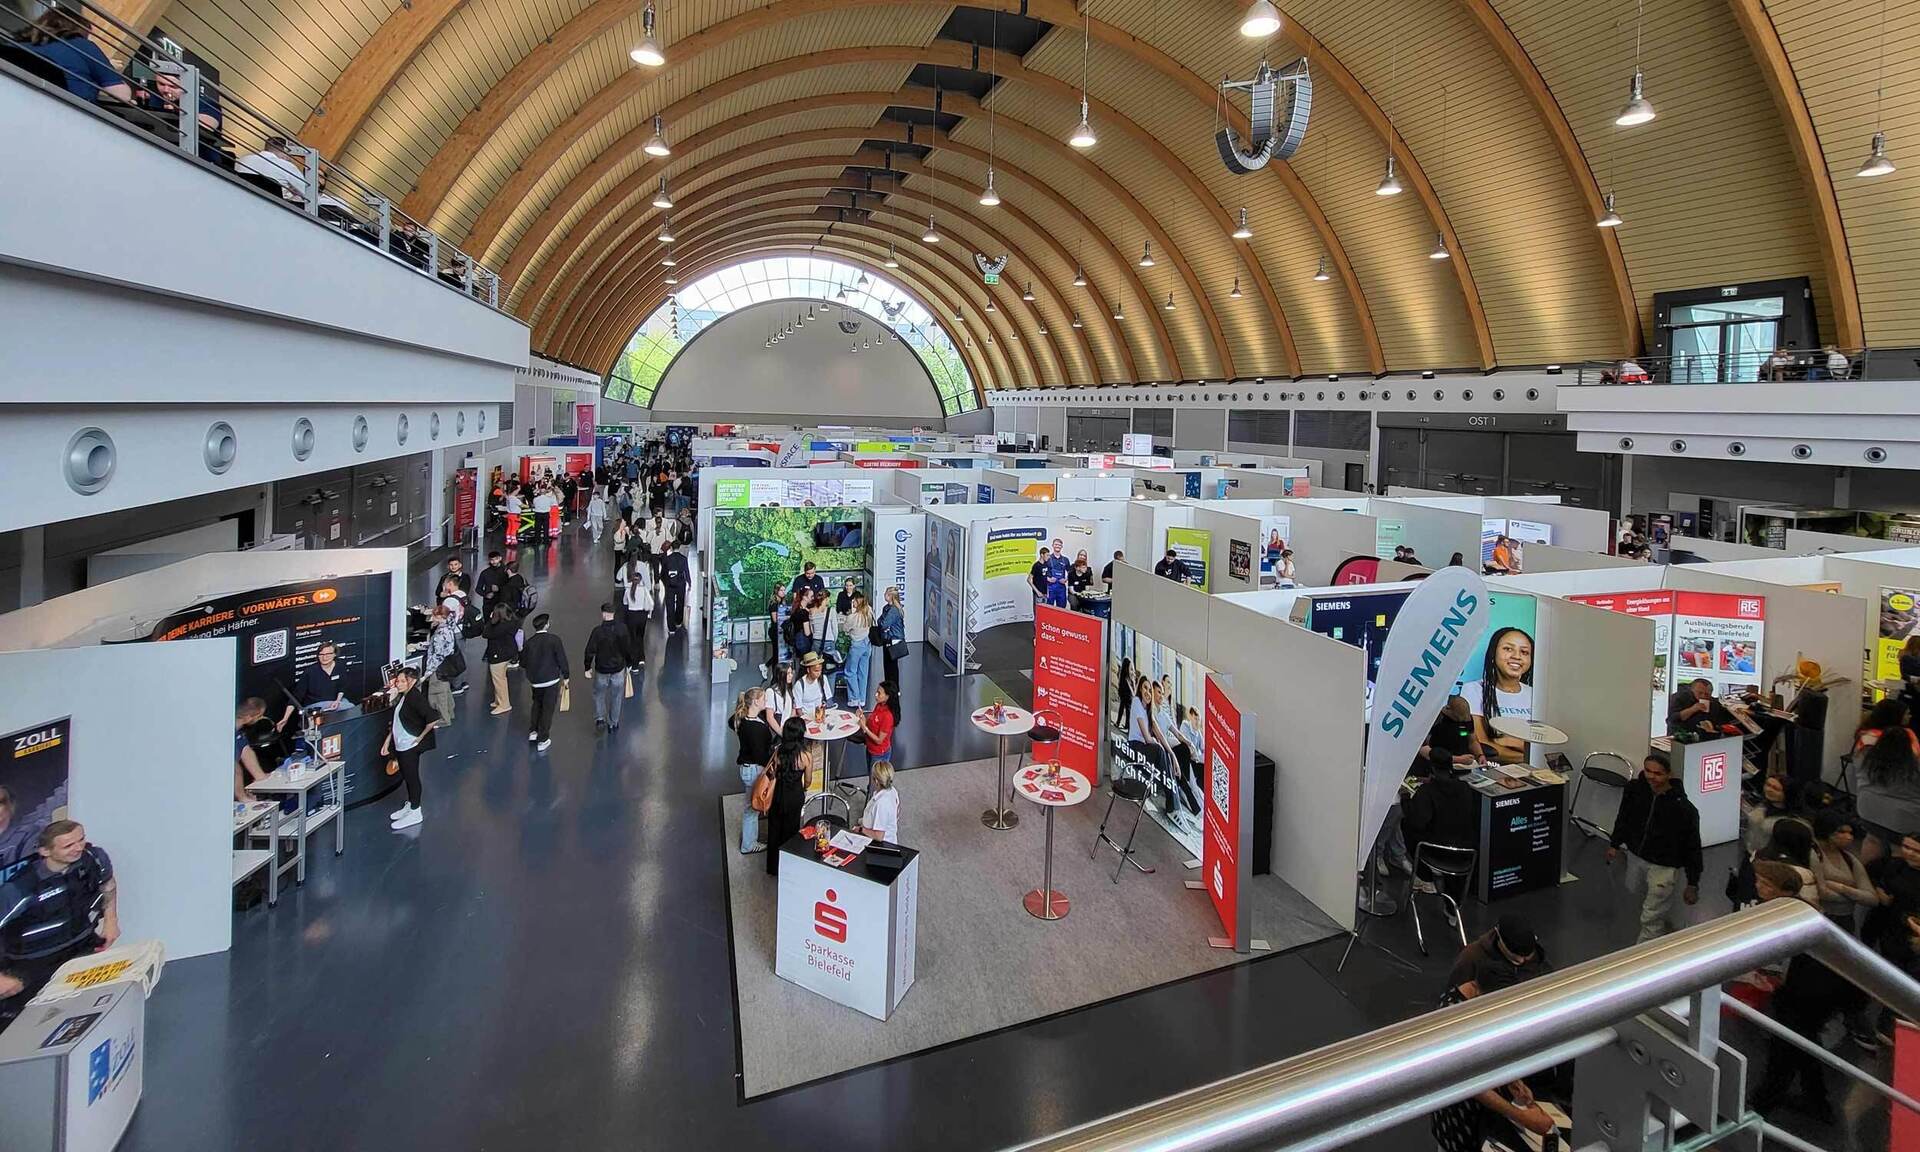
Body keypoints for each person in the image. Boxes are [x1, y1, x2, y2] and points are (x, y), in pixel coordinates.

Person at [1749, 861, 1855, 1123]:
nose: (1758, 886)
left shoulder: (1788, 914)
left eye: (1766, 884)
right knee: (1804, 1046)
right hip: (1810, 989)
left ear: (1782, 890)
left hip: (1809, 992)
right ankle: (1816, 1102)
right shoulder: (1799, 907)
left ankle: (1761, 1106)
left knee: (1784, 1049)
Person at [0, 821, 118, 1023]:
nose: (78, 848)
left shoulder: (94, 858)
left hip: (82, 947)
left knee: (89, 1012)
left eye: (81, 839)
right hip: (31, 963)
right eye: (68, 846)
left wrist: (111, 921)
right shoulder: (20, 889)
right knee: (24, 1027)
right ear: (45, 851)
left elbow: (108, 883)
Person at [1607, 753, 1702, 942]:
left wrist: (1693, 882)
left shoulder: (1684, 809)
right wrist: (1615, 843)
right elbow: (1624, 817)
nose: (1651, 777)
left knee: (1651, 914)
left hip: (1664, 867)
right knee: (1639, 902)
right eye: (1648, 771)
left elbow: (1693, 846)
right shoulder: (1635, 790)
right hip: (1636, 857)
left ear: (1668, 774)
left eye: (1657, 773)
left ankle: (1644, 954)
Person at [1403, 759, 1480, 921]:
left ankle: (1425, 876)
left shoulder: (1427, 792)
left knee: (1408, 827)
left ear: (1432, 769)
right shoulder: (1465, 789)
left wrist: (1406, 800)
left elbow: (1417, 821)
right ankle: (1452, 910)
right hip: (1464, 854)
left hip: (1436, 852)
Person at [22, 5, 131, 104]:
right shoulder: (83, 46)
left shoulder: (21, 44)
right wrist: (108, 68)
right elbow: (123, 95)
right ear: (81, 29)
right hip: (72, 108)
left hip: (27, 101)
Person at [380, 665, 443, 831]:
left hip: (409, 744)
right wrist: (388, 741)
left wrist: (420, 737)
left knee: (412, 777)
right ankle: (411, 804)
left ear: (412, 681)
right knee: (408, 776)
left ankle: (416, 811)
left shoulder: (415, 698)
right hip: (401, 743)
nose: (398, 684)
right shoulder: (404, 697)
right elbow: (397, 722)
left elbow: (432, 717)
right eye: (398, 680)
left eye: (402, 681)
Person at [1856, 699, 1920, 854]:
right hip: (1903, 819)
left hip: (1867, 808)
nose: (1910, 716)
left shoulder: (1864, 746)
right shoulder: (1912, 766)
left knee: (1872, 840)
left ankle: (1864, 875)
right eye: (1907, 714)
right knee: (1900, 850)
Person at [1465, 626, 1535, 764]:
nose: (1516, 656)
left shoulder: (1536, 695)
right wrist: (1530, 757)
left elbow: (1545, 745)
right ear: (1493, 653)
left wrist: (1509, 740)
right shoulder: (1474, 690)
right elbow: (1483, 745)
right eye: (1508, 649)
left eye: (1524, 652)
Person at [1448, 914, 1551, 995]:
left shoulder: (1537, 955)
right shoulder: (1471, 958)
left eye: (1527, 956)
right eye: (1514, 954)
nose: (1521, 961)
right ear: (1499, 937)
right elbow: (1454, 1000)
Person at [1811, 809, 1878, 928]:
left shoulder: (1849, 859)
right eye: (1841, 832)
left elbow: (1872, 899)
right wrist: (1855, 896)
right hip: (1821, 917)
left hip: (1845, 919)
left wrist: (1842, 888)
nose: (1848, 837)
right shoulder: (1813, 853)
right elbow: (1822, 892)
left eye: (1850, 833)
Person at [764, 718, 813, 876]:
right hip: (795, 795)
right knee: (791, 831)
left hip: (778, 793)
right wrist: (804, 788)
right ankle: (788, 867)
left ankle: (773, 867)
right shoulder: (805, 756)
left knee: (774, 830)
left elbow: (773, 772)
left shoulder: (778, 751)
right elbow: (808, 780)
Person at [731, 688, 775, 855]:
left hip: (747, 768)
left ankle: (751, 840)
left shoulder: (742, 720)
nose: (766, 702)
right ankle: (748, 844)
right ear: (756, 701)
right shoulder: (756, 728)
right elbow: (760, 754)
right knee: (751, 808)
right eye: (763, 699)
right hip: (754, 769)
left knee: (751, 805)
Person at [519, 613, 570, 752]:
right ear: (546, 624)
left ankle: (533, 731)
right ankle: (543, 738)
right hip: (551, 680)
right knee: (548, 709)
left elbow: (523, 662)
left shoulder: (529, 643)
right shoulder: (554, 640)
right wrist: (566, 675)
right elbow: (561, 659)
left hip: (535, 681)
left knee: (536, 704)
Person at [582, 602, 635, 732]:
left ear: (604, 614)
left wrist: (587, 667)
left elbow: (589, 650)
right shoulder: (622, 629)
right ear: (614, 613)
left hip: (602, 670)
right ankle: (613, 723)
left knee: (599, 693)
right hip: (618, 669)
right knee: (616, 696)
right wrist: (629, 663)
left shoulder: (597, 632)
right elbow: (628, 648)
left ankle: (600, 718)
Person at [421, 603, 460, 724]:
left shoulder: (440, 633)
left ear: (440, 617)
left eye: (434, 616)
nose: (432, 619)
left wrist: (427, 674)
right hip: (446, 666)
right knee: (445, 691)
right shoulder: (449, 628)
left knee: (437, 694)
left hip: (438, 668)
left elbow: (437, 655)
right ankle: (449, 713)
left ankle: (444, 719)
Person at [1667, 677, 1735, 737]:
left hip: (1704, 739)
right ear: (1692, 690)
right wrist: (1692, 709)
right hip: (1681, 735)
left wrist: (1713, 728)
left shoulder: (1713, 703)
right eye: (1700, 693)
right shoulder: (1679, 698)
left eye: (1707, 694)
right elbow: (1672, 719)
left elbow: (1721, 722)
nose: (1703, 696)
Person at [483, 605, 519, 715]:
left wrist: (490, 620)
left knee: (498, 680)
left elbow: (486, 633)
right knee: (501, 678)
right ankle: (499, 700)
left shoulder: (500, 627)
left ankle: (504, 704)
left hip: (498, 655)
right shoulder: (512, 622)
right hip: (508, 653)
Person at [857, 680, 899, 775]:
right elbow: (871, 723)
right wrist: (862, 717)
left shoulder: (888, 716)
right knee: (871, 776)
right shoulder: (879, 706)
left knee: (876, 780)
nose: (876, 695)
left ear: (887, 697)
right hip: (870, 748)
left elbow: (879, 740)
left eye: (879, 693)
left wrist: (864, 728)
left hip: (879, 754)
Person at [234, 698, 271, 802]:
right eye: (259, 716)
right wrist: (242, 797)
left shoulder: (239, 734)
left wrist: (260, 776)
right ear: (249, 717)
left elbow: (246, 751)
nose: (261, 718)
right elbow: (234, 769)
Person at [856, 760, 901, 844]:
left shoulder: (881, 804)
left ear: (876, 781)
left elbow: (879, 836)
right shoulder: (892, 791)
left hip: (881, 845)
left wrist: (861, 829)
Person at [295, 640, 349, 710]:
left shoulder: (340, 666)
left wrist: (337, 701)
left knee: (349, 707)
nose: (324, 657)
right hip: (315, 705)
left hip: (335, 701)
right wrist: (286, 718)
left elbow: (342, 686)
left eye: (328, 654)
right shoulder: (310, 671)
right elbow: (297, 695)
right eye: (321, 654)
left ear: (335, 654)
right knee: (348, 707)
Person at [841, 592, 874, 706]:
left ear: (857, 602)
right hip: (867, 644)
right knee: (863, 672)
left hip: (856, 645)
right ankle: (862, 698)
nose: (852, 602)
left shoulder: (852, 617)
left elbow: (845, 629)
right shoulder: (869, 612)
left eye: (853, 601)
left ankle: (854, 698)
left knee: (850, 671)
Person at [878, 585, 907, 688]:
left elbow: (884, 623)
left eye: (886, 593)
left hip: (894, 640)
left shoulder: (894, 610)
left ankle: (894, 688)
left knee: (892, 667)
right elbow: (880, 621)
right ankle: (889, 686)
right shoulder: (886, 608)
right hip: (887, 639)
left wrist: (884, 625)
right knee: (887, 666)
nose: (884, 595)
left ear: (890, 596)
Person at [659, 541, 691, 635]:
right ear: (680, 547)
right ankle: (678, 621)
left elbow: (662, 574)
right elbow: (687, 571)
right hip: (681, 583)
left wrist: (665, 582)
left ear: (671, 548)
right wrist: (689, 582)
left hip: (670, 584)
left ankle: (671, 628)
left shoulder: (667, 559)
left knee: (670, 605)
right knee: (680, 602)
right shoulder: (683, 559)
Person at [793, 651, 832, 717]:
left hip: (820, 714)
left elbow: (828, 699)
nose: (819, 673)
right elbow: (798, 708)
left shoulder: (823, 679)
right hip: (806, 716)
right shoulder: (799, 685)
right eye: (816, 671)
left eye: (820, 670)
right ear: (808, 670)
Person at [474, 551, 507, 624]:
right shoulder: (485, 573)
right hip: (488, 604)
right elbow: (478, 589)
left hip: (502, 603)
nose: (494, 561)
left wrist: (499, 589)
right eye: (492, 560)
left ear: (500, 558)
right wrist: (486, 594)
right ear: (489, 560)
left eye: (496, 559)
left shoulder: (506, 571)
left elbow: (510, 587)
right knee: (488, 624)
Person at [762, 663, 797, 730]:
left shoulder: (789, 689)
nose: (791, 676)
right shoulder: (771, 692)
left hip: (788, 728)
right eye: (788, 673)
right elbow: (770, 717)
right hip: (779, 729)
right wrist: (781, 733)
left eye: (791, 673)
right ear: (781, 675)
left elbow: (793, 708)